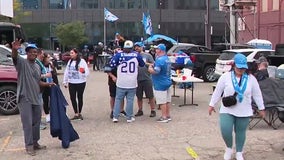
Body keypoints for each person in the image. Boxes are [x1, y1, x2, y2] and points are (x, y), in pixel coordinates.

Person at [208, 53, 266, 160]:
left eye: (243, 68)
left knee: (240, 132)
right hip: (227, 109)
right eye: (239, 67)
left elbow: (257, 94)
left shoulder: (251, 78)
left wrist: (261, 108)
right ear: (234, 65)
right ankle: (229, 148)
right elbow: (218, 91)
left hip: (244, 109)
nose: (241, 69)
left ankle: (239, 152)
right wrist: (212, 104)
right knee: (225, 130)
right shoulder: (225, 77)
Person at [11, 39, 54, 156]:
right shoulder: (22, 63)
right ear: (27, 53)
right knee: (27, 123)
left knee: (36, 122)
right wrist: (14, 49)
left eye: (35, 52)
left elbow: (38, 81)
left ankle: (35, 142)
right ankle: (29, 146)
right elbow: (14, 57)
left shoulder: (37, 66)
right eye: (30, 52)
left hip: (36, 98)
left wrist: (48, 84)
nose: (33, 54)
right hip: (25, 98)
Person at [109, 40, 145, 123]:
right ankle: (129, 117)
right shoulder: (137, 55)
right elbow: (142, 64)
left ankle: (115, 116)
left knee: (118, 99)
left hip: (121, 81)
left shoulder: (118, 55)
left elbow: (111, 65)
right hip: (132, 82)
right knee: (130, 100)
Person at [63, 48, 89, 120]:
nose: (71, 54)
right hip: (72, 82)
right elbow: (67, 72)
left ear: (76, 53)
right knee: (72, 97)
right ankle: (76, 113)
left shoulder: (82, 61)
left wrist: (82, 71)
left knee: (79, 97)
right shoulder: (70, 62)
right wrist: (65, 81)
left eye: (72, 53)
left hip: (80, 82)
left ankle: (79, 112)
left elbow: (87, 72)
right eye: (70, 53)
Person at [148, 43, 172, 123]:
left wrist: (150, 69)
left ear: (160, 50)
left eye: (157, 49)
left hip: (160, 83)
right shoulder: (167, 59)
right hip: (167, 81)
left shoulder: (160, 60)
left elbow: (156, 71)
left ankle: (164, 116)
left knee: (162, 101)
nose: (155, 50)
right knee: (167, 100)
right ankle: (168, 115)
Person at [133, 42, 156, 117]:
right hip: (137, 79)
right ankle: (140, 110)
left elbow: (153, 64)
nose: (136, 48)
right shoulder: (133, 55)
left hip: (147, 78)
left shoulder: (148, 55)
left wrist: (145, 63)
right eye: (135, 47)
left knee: (150, 95)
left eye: (138, 46)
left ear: (142, 47)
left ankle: (153, 110)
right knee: (139, 96)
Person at [104, 46, 126, 119]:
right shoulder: (110, 59)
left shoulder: (124, 59)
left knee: (122, 96)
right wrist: (112, 76)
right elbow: (107, 70)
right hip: (113, 80)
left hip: (122, 80)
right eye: (117, 49)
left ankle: (121, 110)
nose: (118, 50)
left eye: (120, 49)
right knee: (113, 96)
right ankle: (113, 110)